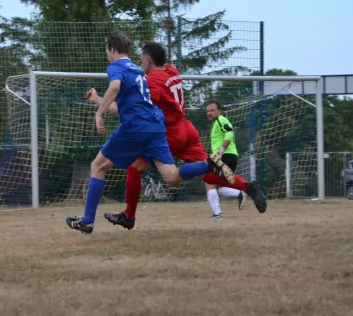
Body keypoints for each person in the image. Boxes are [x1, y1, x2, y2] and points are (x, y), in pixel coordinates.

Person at [65, 32, 234, 234]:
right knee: (171, 176)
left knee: (97, 166)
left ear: (112, 49)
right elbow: (125, 106)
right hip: (156, 126)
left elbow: (115, 86)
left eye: (107, 51)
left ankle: (87, 221)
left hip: (135, 128)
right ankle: (207, 164)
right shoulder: (138, 72)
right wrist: (97, 100)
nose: (107, 55)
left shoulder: (115, 67)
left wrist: (98, 114)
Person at [88, 42, 266, 227]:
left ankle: (129, 216)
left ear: (148, 60)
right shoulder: (172, 71)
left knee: (135, 168)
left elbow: (130, 111)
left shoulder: (152, 83)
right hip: (187, 128)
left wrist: (99, 100)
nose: (141, 64)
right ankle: (247, 187)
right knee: (207, 173)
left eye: (142, 60)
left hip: (168, 133)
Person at [205, 101, 264, 217]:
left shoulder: (220, 120)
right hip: (231, 156)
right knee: (219, 186)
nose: (209, 113)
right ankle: (239, 194)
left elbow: (229, 133)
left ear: (219, 110)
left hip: (225, 156)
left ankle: (217, 214)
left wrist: (220, 152)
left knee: (209, 182)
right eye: (207, 111)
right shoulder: (218, 122)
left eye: (212, 110)